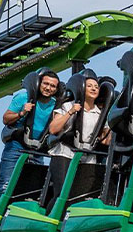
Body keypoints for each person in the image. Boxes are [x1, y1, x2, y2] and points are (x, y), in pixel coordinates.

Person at [0, 69, 60, 205]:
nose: (48, 88)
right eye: (45, 84)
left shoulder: (55, 104)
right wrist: (21, 113)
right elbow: (6, 118)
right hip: (17, 146)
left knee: (32, 188)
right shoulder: (23, 97)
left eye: (52, 86)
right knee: (5, 184)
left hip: (37, 149)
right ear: (39, 83)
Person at [44, 75, 111, 208]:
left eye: (96, 87)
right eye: (90, 86)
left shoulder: (100, 113)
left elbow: (106, 141)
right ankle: (51, 219)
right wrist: (71, 112)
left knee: (81, 195)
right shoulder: (68, 105)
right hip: (65, 153)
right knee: (62, 194)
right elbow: (53, 129)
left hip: (87, 156)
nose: (93, 89)